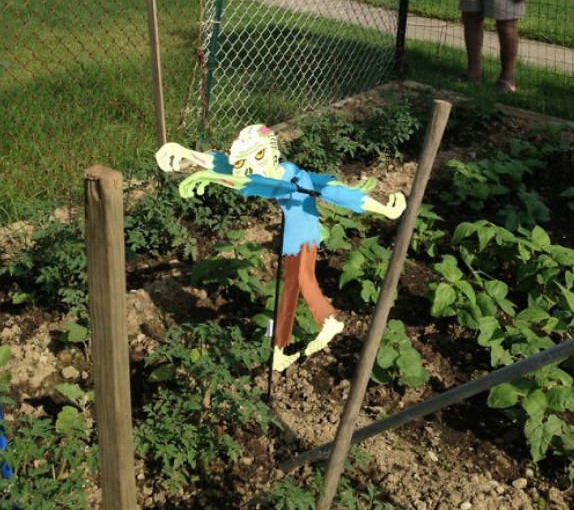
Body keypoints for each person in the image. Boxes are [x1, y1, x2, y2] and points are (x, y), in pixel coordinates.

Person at [156, 125, 406, 372]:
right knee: (289, 292)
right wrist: (187, 154)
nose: (254, 166)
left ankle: (328, 321)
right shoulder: (285, 176)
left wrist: (384, 209)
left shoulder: (286, 181)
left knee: (303, 279)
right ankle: (279, 350)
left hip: (303, 237)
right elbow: (229, 169)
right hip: (293, 237)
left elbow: (330, 192)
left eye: (258, 156)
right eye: (249, 161)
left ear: (269, 152)